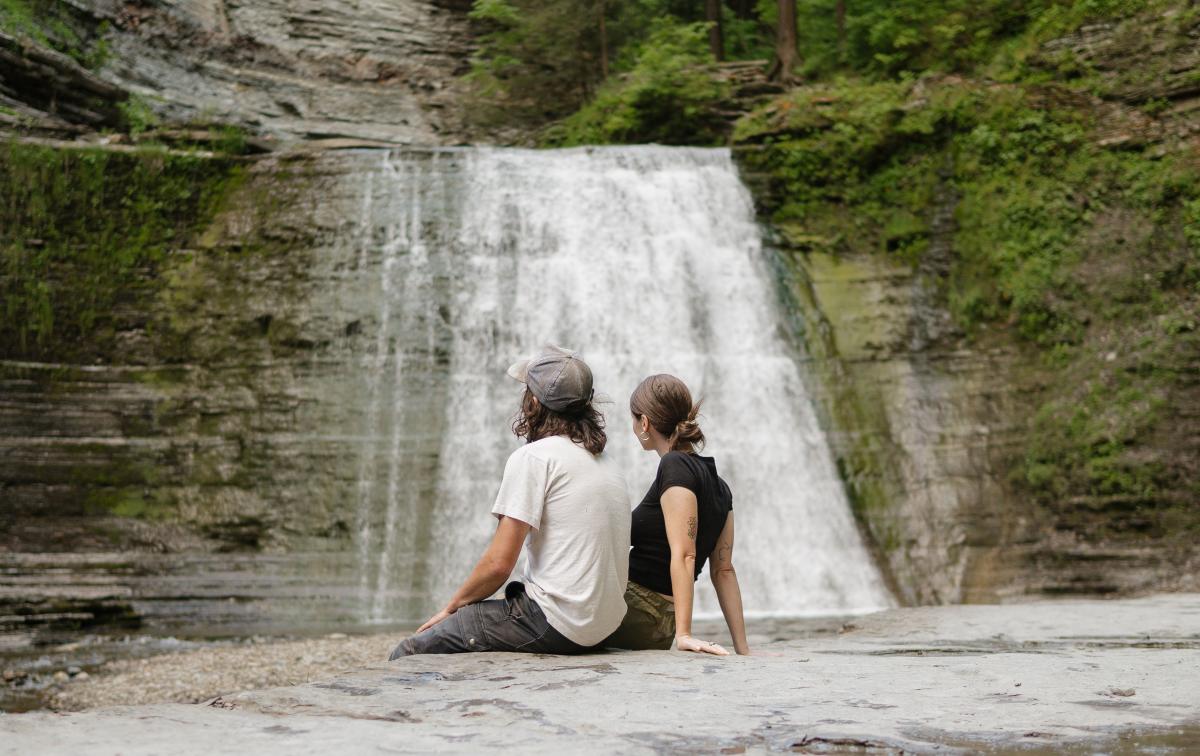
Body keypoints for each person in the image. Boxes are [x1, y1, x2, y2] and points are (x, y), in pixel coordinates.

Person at [389, 345, 630, 659]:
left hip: (557, 623)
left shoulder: (534, 458)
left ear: (533, 401)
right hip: (603, 625)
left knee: (410, 651)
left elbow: (499, 565)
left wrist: (452, 608)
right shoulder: (607, 462)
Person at [603, 373, 750, 656]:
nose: (633, 427)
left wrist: (684, 635)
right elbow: (724, 570)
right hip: (659, 625)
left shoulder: (674, 465)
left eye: (634, 420)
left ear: (644, 422)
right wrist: (744, 649)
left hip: (637, 609)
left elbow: (685, 554)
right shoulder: (721, 488)